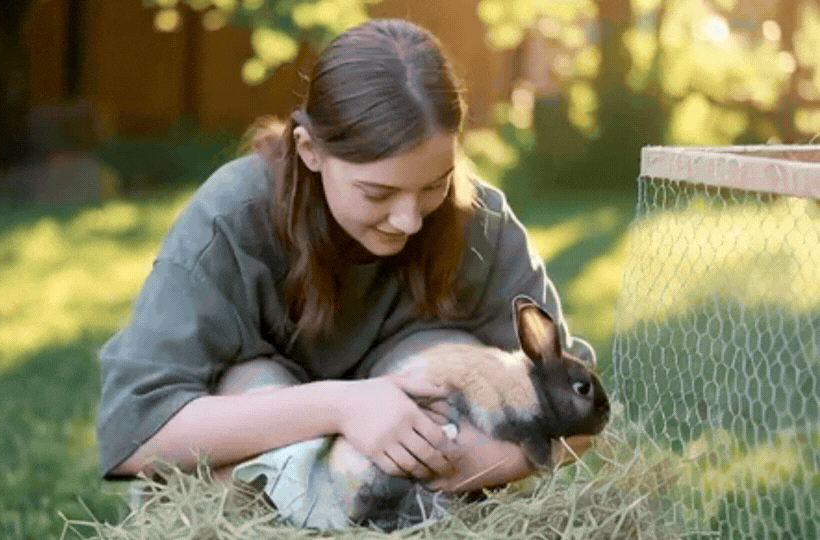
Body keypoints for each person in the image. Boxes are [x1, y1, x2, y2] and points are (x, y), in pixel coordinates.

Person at [96, 18, 596, 531]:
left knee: (456, 360)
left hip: (424, 473)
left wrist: (497, 462)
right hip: (274, 468)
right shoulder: (230, 220)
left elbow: (579, 403)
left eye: (434, 185)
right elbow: (133, 434)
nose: (409, 219)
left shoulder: (482, 224)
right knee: (251, 382)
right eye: (377, 194)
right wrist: (341, 406)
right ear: (311, 151)